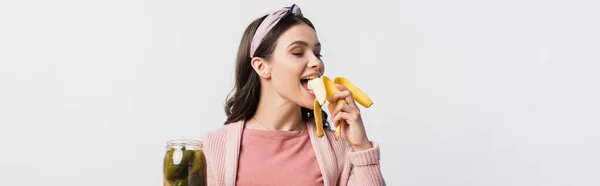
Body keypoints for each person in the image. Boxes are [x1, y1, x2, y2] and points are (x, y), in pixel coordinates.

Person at [200, 4, 386, 186]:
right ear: (261, 66)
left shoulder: (339, 148)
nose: (316, 63)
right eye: (298, 52)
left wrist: (361, 147)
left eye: (317, 54)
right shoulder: (212, 147)